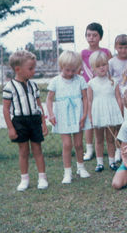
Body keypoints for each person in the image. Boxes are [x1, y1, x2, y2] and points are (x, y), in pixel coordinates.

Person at [2, 50, 48, 191]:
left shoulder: (33, 85)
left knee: (37, 149)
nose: (34, 71)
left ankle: (42, 178)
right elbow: (5, 109)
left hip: (34, 120)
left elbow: (39, 105)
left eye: (34, 68)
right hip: (19, 122)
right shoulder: (9, 87)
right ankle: (24, 179)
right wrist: (11, 128)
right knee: (23, 151)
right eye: (31, 68)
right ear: (18, 69)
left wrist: (44, 123)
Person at [46, 50, 91, 184]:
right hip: (63, 116)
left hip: (78, 115)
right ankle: (67, 172)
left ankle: (81, 167)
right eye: (67, 70)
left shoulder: (80, 80)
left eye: (74, 70)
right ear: (61, 67)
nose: (71, 73)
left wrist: (84, 115)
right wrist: (51, 114)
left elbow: (85, 98)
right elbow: (49, 99)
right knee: (67, 144)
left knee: (78, 144)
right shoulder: (55, 81)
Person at [81, 22, 112, 161]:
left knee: (108, 119)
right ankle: (89, 149)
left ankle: (114, 148)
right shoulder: (82, 53)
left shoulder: (106, 52)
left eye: (94, 35)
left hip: (104, 89)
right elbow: (77, 71)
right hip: (89, 90)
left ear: (100, 37)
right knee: (90, 120)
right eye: (88, 35)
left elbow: (111, 70)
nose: (91, 38)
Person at [87, 51, 123, 172]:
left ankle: (112, 161)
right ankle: (100, 163)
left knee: (110, 138)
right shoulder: (91, 83)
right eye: (98, 66)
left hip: (111, 112)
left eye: (104, 64)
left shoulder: (113, 81)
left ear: (107, 65)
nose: (102, 68)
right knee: (99, 139)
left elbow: (118, 98)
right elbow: (90, 101)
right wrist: (90, 116)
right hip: (98, 113)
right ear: (93, 68)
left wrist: (120, 112)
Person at [109, 34, 127, 162]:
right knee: (118, 124)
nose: (123, 50)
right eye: (120, 48)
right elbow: (109, 80)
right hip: (116, 96)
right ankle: (118, 150)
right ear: (115, 47)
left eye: (126, 48)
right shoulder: (112, 62)